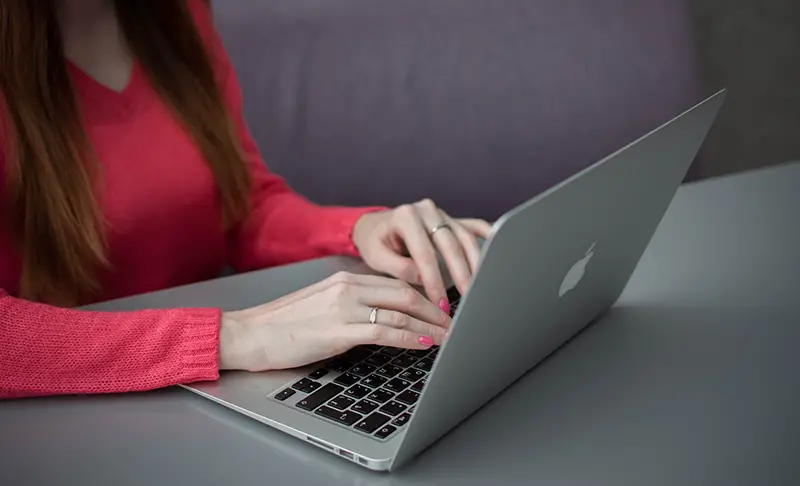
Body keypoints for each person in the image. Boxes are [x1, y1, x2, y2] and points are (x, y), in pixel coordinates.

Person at [0, 0, 491, 399]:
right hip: (64, 412)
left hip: (205, 386)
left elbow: (240, 206)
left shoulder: (178, 15)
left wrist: (360, 229)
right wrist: (234, 336)